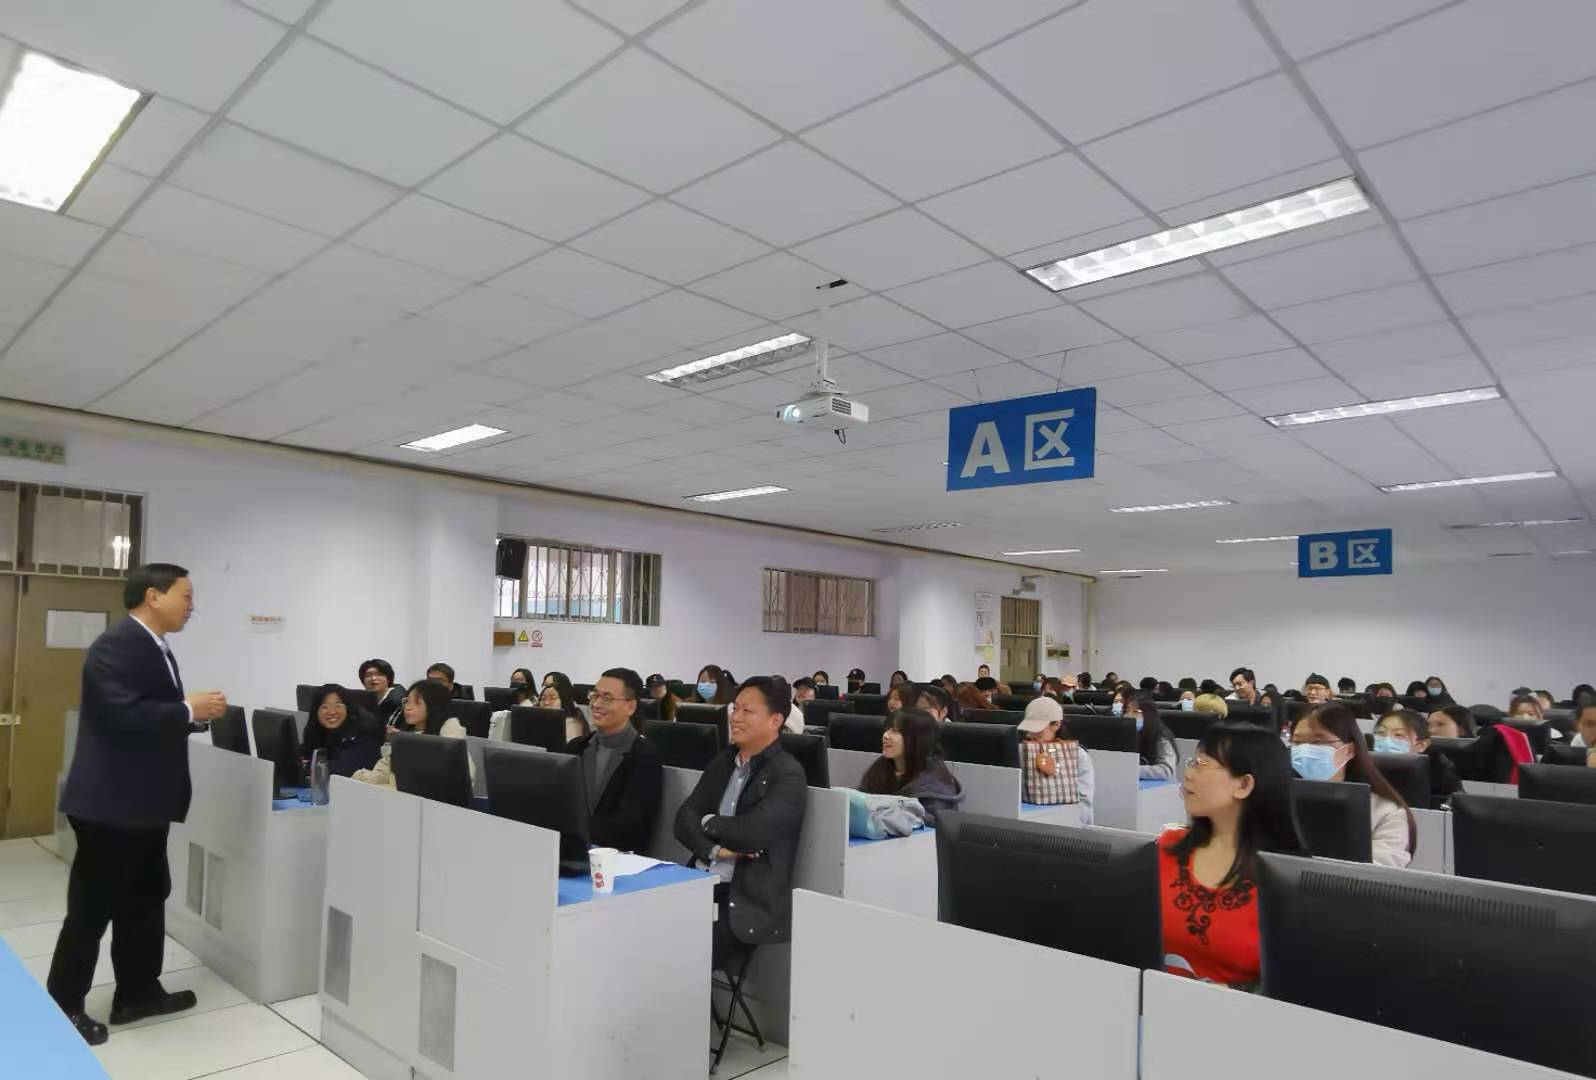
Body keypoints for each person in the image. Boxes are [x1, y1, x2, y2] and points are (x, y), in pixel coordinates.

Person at [50, 564, 229, 1044]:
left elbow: (147, 715)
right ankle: (62, 1008)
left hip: (144, 804)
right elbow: (121, 715)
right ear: (153, 595)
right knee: (91, 911)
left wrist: (193, 718)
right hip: (112, 806)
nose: (192, 606)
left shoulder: (154, 646)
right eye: (186, 595)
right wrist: (188, 708)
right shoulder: (116, 645)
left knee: (146, 899)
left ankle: (138, 993)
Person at [674, 676, 807, 973]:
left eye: (747, 711)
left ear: (775, 721)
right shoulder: (724, 761)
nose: (735, 717)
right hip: (699, 883)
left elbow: (752, 835)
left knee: (676, 951)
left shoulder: (788, 774)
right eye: (735, 708)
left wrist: (708, 821)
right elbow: (683, 820)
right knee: (638, 924)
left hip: (742, 904)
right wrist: (714, 850)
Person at [1161, 723, 1308, 989]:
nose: (1188, 774)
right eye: (1192, 762)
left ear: (1244, 784)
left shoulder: (1287, 880)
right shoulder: (1167, 847)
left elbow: (1296, 982)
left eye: (1202, 764)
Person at [1290, 704, 1415, 868]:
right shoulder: (1277, 798)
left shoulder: (1386, 812)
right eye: (1297, 742)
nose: (1305, 750)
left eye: (1318, 742)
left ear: (1349, 750)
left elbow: (1381, 873)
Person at [561, 668, 663, 854]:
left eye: (607, 698)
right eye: (594, 695)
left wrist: (575, 831)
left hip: (615, 856)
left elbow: (631, 823)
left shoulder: (644, 756)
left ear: (630, 707)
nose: (596, 704)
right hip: (572, 848)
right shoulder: (576, 748)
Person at [858, 710, 965, 820]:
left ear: (917, 739)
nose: (886, 735)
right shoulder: (880, 768)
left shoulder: (935, 786)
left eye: (895, 731)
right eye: (887, 729)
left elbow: (934, 825)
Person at [1015, 697, 1092, 823]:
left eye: (1037, 729)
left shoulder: (1078, 755)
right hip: (1028, 820)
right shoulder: (1021, 752)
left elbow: (1084, 805)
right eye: (1029, 728)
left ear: (1056, 725)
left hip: (1066, 823)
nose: (1030, 734)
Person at [1374, 708, 1461, 806]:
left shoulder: (1441, 776)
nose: (1386, 740)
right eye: (1380, 733)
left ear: (1421, 745)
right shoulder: (1364, 765)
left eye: (1398, 735)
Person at [300, 684, 383, 778]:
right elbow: (303, 752)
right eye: (324, 707)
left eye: (338, 705)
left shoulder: (366, 730)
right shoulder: (319, 729)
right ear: (316, 711)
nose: (332, 712)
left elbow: (345, 768)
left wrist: (305, 767)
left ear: (347, 708)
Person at [1125, 693, 1179, 780]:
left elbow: (1165, 770)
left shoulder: (1160, 736)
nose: (1128, 715)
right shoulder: (1128, 734)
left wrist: (1131, 770)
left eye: (1136, 712)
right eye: (1127, 711)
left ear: (1148, 714)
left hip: (1159, 786)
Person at [359, 659, 405, 726]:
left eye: (379, 674)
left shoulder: (400, 702)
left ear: (388, 679)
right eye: (368, 675)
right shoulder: (363, 703)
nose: (373, 678)